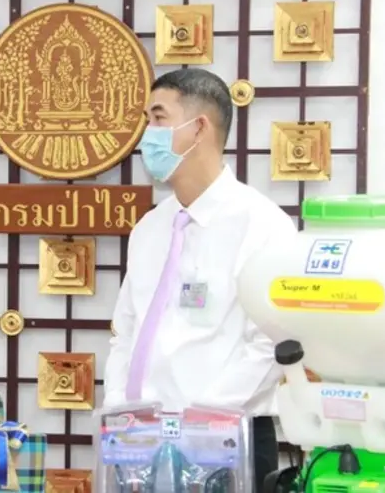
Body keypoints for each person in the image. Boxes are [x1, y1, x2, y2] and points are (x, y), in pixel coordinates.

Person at [104, 68, 296, 491]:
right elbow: (126, 333)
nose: (146, 135)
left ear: (199, 128)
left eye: (158, 118)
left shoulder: (262, 225)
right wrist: (119, 410)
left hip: (225, 443)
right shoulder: (151, 228)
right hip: (140, 445)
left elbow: (272, 345)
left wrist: (199, 424)